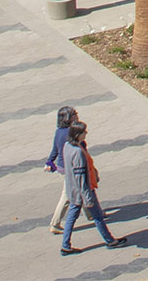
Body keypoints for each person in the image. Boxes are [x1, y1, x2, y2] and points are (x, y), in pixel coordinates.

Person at [56, 120, 123, 255]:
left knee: (71, 217)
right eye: (84, 132)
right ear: (78, 134)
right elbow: (81, 178)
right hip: (84, 191)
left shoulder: (67, 146)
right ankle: (110, 241)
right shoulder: (78, 152)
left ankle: (65, 246)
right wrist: (87, 197)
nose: (86, 134)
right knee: (97, 216)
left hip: (73, 190)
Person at [42, 105, 80, 238]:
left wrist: (49, 161)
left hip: (62, 166)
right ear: (68, 118)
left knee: (83, 188)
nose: (77, 115)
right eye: (74, 114)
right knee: (67, 195)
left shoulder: (59, 131)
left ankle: (92, 213)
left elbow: (55, 149)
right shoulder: (71, 132)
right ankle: (55, 223)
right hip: (71, 167)